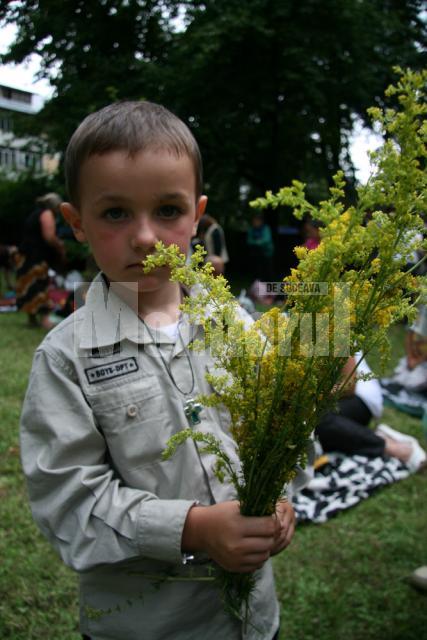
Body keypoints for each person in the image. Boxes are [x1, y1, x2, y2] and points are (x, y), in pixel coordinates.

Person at [20, 101, 313, 640]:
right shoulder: (66, 359)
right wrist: (193, 529)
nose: (147, 237)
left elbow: (279, 428)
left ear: (197, 214)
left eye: (169, 211)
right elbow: (69, 503)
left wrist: (279, 494)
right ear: (76, 222)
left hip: (252, 621)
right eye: (115, 213)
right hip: (144, 625)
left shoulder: (235, 324)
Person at [316, 355, 426, 472]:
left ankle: (389, 446)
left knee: (313, 420)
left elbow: (349, 384)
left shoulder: (326, 336)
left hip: (356, 396)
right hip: (324, 399)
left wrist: (313, 395)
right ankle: (354, 432)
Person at [15, 192, 65, 329]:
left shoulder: (35, 213)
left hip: (25, 255)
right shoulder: (47, 214)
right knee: (39, 286)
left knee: (28, 286)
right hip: (36, 257)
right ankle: (45, 320)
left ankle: (32, 319)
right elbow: (49, 237)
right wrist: (60, 245)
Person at [246, 213, 274, 282]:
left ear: (261, 221)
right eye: (254, 220)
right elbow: (249, 241)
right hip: (256, 255)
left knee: (267, 272)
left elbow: (267, 240)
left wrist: (257, 242)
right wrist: (258, 242)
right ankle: (257, 287)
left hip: (266, 254)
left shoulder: (266, 228)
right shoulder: (251, 229)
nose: (255, 222)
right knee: (256, 272)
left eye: (257, 220)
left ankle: (268, 289)